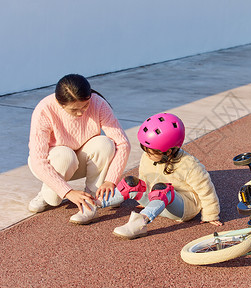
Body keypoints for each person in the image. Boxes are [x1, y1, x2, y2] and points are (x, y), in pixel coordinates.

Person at [99, 112, 222, 239]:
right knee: (131, 182)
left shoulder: (190, 165)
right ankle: (94, 204)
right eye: (145, 150)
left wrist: (210, 215)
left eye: (150, 152)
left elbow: (206, 191)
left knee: (162, 189)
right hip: (156, 199)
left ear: (168, 152)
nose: (146, 155)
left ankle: (140, 223)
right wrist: (145, 198)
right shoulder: (148, 156)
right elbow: (143, 179)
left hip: (182, 208)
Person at [27, 74, 131, 224]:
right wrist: (68, 192)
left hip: (80, 160)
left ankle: (91, 201)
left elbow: (122, 144)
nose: (81, 113)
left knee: (105, 144)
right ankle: (47, 192)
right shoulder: (44, 109)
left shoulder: (98, 103)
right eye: (74, 109)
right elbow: (38, 160)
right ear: (60, 103)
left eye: (85, 106)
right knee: (64, 160)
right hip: (56, 161)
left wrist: (110, 181)